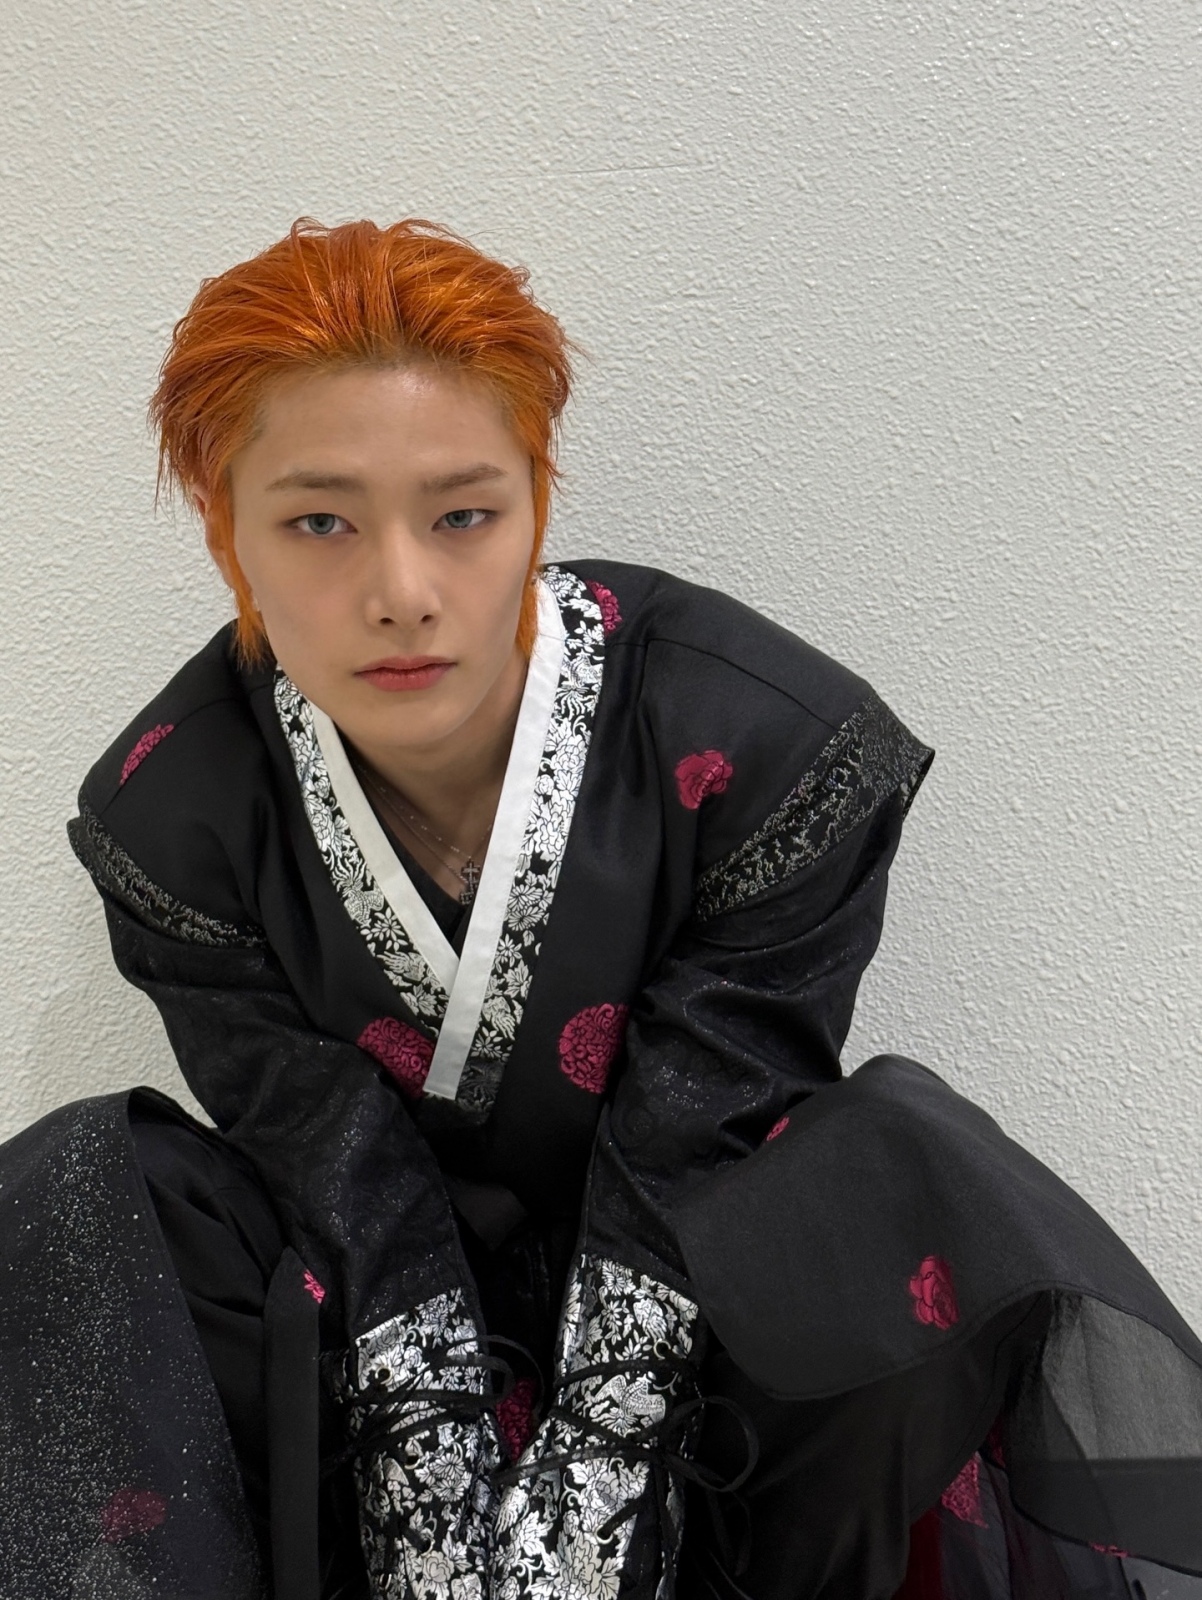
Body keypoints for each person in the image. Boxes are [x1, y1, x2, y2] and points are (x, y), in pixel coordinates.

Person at [1, 216, 1199, 1600]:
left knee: (894, 1159)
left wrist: (593, 1489)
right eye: (319, 521)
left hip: (711, 1345)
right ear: (225, 528)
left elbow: (705, 1116)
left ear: (537, 501)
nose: (403, 593)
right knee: (87, 1186)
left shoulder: (756, 741)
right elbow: (326, 1158)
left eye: (464, 515)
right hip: (361, 1332)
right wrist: (435, 1496)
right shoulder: (175, 813)